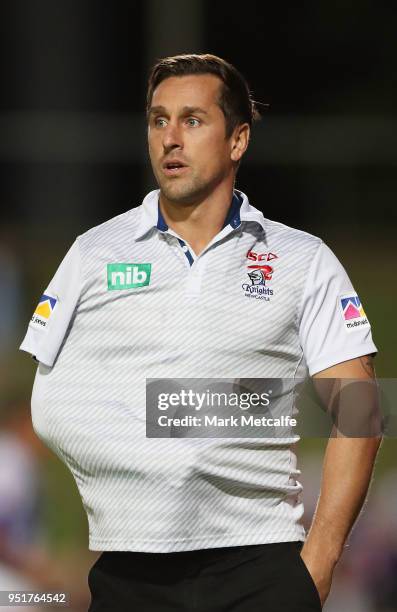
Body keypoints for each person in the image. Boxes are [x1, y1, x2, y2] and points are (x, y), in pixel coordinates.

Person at [20, 54, 382, 611]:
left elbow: (359, 409)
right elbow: (50, 402)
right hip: (127, 568)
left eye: (192, 120)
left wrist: (321, 560)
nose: (170, 138)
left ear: (237, 140)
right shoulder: (95, 253)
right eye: (158, 120)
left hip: (261, 566)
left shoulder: (301, 258)